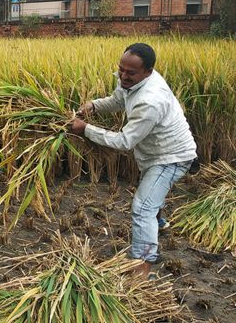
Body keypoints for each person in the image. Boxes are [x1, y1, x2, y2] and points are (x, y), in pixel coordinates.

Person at [70, 43, 197, 279]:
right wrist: (94, 106)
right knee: (151, 195)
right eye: (121, 70)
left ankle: (143, 267)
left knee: (143, 207)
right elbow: (119, 99)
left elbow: (125, 141)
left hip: (171, 157)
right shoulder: (132, 80)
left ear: (148, 72)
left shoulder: (150, 100)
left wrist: (85, 128)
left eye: (130, 73)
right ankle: (159, 225)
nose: (123, 76)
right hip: (153, 152)